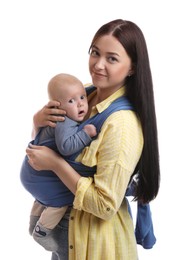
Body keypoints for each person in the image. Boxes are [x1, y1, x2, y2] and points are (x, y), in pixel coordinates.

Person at [26, 19, 160, 260]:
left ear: (132, 67)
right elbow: (46, 145)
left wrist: (56, 164)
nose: (98, 65)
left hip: (94, 241)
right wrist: (37, 122)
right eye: (95, 53)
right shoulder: (83, 94)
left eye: (112, 58)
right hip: (69, 233)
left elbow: (105, 206)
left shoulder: (122, 124)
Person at [20, 73, 97, 251]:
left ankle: (34, 223)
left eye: (82, 97)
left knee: (44, 198)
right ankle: (42, 232)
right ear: (57, 105)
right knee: (60, 201)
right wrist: (86, 133)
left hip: (33, 173)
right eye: (71, 101)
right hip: (38, 173)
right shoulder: (64, 121)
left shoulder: (59, 117)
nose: (80, 103)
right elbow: (66, 147)